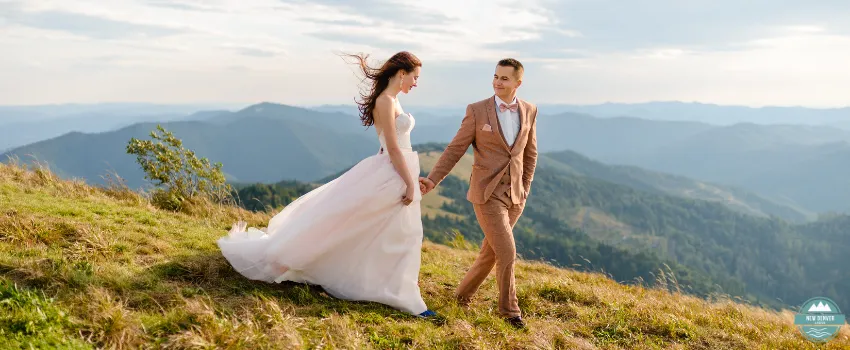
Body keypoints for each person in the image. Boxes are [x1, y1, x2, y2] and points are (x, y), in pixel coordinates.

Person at [217, 51, 437, 318]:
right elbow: (391, 147)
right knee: (395, 232)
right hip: (392, 171)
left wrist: (413, 178)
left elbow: (399, 146)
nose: (416, 83)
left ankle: (396, 289)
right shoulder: (386, 101)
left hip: (397, 170)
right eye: (415, 77)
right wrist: (409, 183)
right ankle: (404, 296)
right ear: (402, 73)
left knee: (397, 233)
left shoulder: (394, 100)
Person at [419, 58, 538, 329]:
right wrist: (433, 180)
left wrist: (526, 186)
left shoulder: (530, 110)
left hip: (516, 195)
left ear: (518, 83)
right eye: (496, 76)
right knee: (507, 252)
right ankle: (509, 312)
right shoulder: (477, 110)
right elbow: (455, 149)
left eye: (505, 78)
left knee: (491, 253)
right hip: (486, 194)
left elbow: (530, 153)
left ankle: (461, 298)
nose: (497, 82)